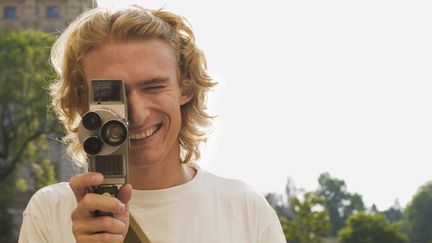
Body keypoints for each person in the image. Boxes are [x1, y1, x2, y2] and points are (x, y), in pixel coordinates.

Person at [18, 5, 286, 243]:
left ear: (186, 87)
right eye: (113, 95)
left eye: (154, 87)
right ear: (83, 103)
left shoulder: (246, 210)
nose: (137, 114)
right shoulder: (51, 211)